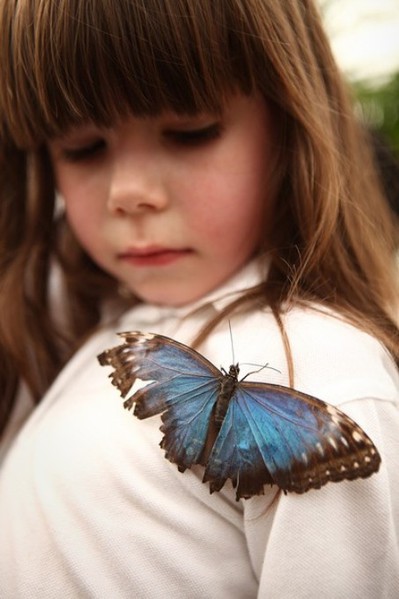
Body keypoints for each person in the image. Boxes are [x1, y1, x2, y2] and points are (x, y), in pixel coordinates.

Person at [0, 0, 398, 596]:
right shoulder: (109, 316)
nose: (129, 194)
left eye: (191, 133)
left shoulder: (325, 371)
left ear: (291, 127)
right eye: (81, 148)